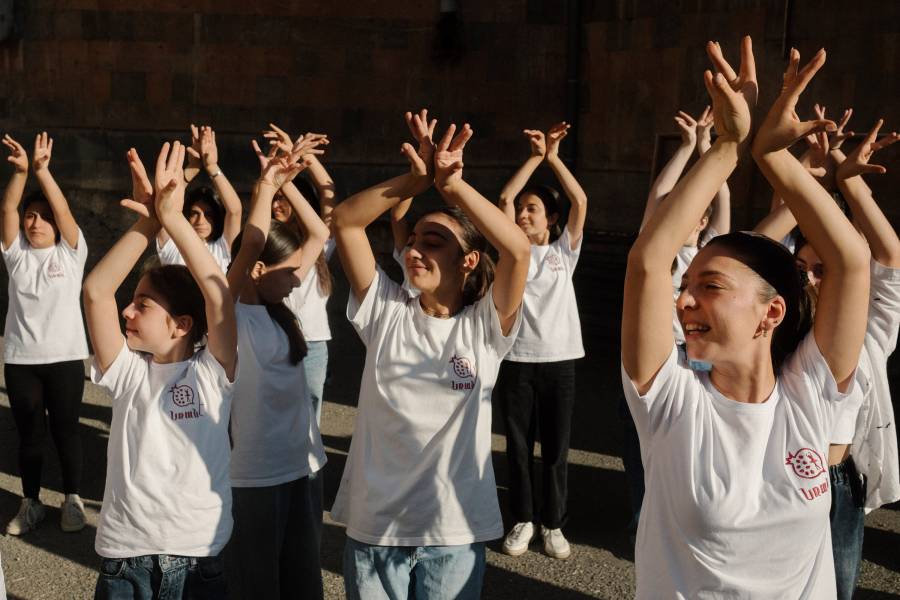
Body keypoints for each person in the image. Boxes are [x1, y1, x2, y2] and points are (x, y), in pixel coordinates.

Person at [621, 37, 871, 598]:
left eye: (709, 286)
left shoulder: (809, 391)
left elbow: (851, 264)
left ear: (771, 313)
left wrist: (774, 156)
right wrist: (729, 146)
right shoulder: (669, 400)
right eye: (685, 287)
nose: (683, 301)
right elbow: (648, 262)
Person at [329, 110, 530, 599]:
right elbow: (347, 222)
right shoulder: (385, 311)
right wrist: (415, 180)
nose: (416, 250)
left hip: (454, 532)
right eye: (414, 239)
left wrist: (453, 186)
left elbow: (518, 250)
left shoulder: (484, 327)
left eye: (433, 242)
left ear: (468, 261)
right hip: (377, 528)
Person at [83, 143, 237, 598]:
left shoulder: (212, 373)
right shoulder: (128, 372)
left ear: (182, 325)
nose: (127, 311)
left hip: (198, 559)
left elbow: (218, 296)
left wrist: (173, 217)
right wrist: (149, 220)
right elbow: (96, 292)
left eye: (143, 305)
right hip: (125, 559)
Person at [757, 116, 900, 600]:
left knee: (837, 589)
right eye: (802, 269)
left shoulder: (870, 333)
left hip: (837, 481)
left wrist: (850, 181)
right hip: (775, 471)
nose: (811, 279)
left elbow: (889, 257)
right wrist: (797, 174)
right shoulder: (777, 326)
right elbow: (755, 252)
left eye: (823, 270)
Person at [224, 136, 329, 600]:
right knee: (258, 584)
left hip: (303, 466)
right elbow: (250, 244)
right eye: (288, 272)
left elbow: (319, 235)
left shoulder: (278, 309)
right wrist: (266, 188)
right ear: (257, 270)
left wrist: (289, 183)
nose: (297, 279)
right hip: (255, 476)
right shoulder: (231, 317)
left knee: (303, 580)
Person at [493, 121, 587, 559]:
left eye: (532, 209)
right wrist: (533, 158)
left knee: (555, 448)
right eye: (521, 210)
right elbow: (503, 199)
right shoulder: (512, 250)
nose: (522, 214)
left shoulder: (564, 252)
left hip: (560, 361)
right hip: (515, 360)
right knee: (517, 446)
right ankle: (523, 519)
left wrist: (554, 158)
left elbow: (580, 201)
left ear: (550, 219)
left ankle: (553, 523)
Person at [1, 132, 89, 535]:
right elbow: (7, 207)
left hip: (66, 358)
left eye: (43, 217)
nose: (35, 222)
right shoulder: (16, 255)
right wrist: (21, 173)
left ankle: (73, 500)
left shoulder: (71, 253)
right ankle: (31, 502)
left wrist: (42, 171)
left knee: (66, 430)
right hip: (22, 360)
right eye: (30, 216)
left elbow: (64, 209)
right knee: (30, 436)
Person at [264, 124, 337, 426]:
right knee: (272, 415)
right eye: (275, 197)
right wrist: (277, 172)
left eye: (285, 198)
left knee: (309, 419)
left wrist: (307, 157)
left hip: (314, 343)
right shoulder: (265, 240)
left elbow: (329, 194)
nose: (277, 204)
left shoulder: (316, 245)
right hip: (272, 339)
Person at [157, 125, 241, 274]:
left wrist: (212, 166)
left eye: (208, 214)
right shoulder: (172, 246)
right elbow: (164, 204)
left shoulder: (223, 249)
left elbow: (234, 211)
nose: (201, 221)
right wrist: (192, 168)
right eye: (194, 213)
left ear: (217, 218)